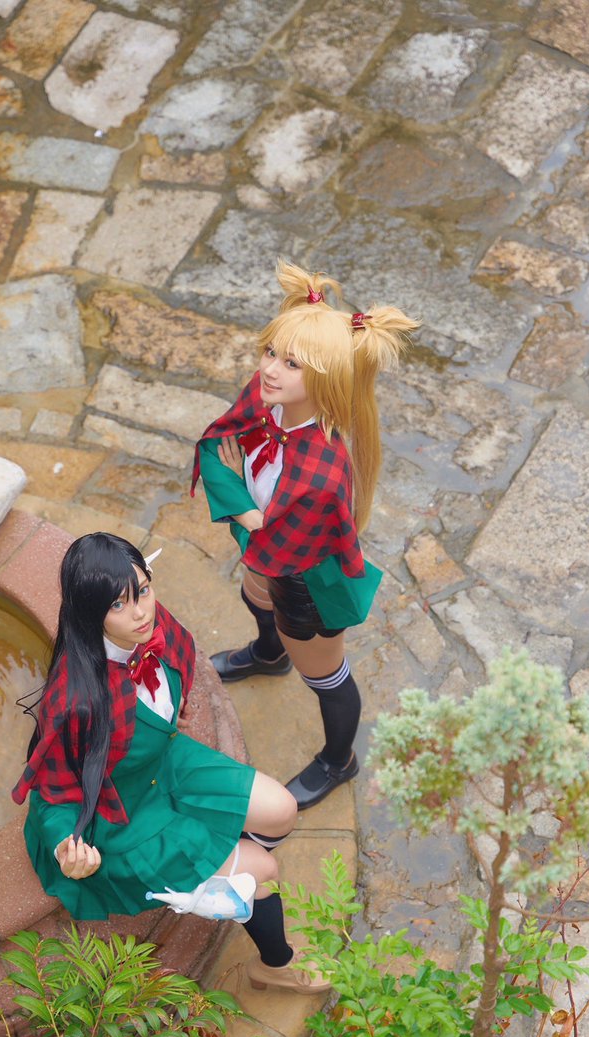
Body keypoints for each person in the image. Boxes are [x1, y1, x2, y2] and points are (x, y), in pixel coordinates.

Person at [12, 532, 326, 995]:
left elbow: (178, 663)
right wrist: (66, 846)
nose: (140, 612)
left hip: (164, 763)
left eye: (142, 590)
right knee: (262, 871)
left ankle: (216, 856)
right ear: (89, 611)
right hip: (122, 818)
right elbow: (52, 794)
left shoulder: (151, 628)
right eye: (117, 604)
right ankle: (275, 964)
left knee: (282, 810)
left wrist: (168, 710)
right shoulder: (76, 701)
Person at [192, 259, 417, 810]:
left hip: (307, 582)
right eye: (271, 351)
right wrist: (250, 512)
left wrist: (246, 512)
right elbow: (215, 445)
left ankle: (339, 760)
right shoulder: (269, 397)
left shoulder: (324, 472)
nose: (270, 370)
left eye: (291, 363)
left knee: (326, 675)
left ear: (326, 379)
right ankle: (269, 655)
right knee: (253, 594)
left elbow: (275, 540)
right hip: (268, 556)